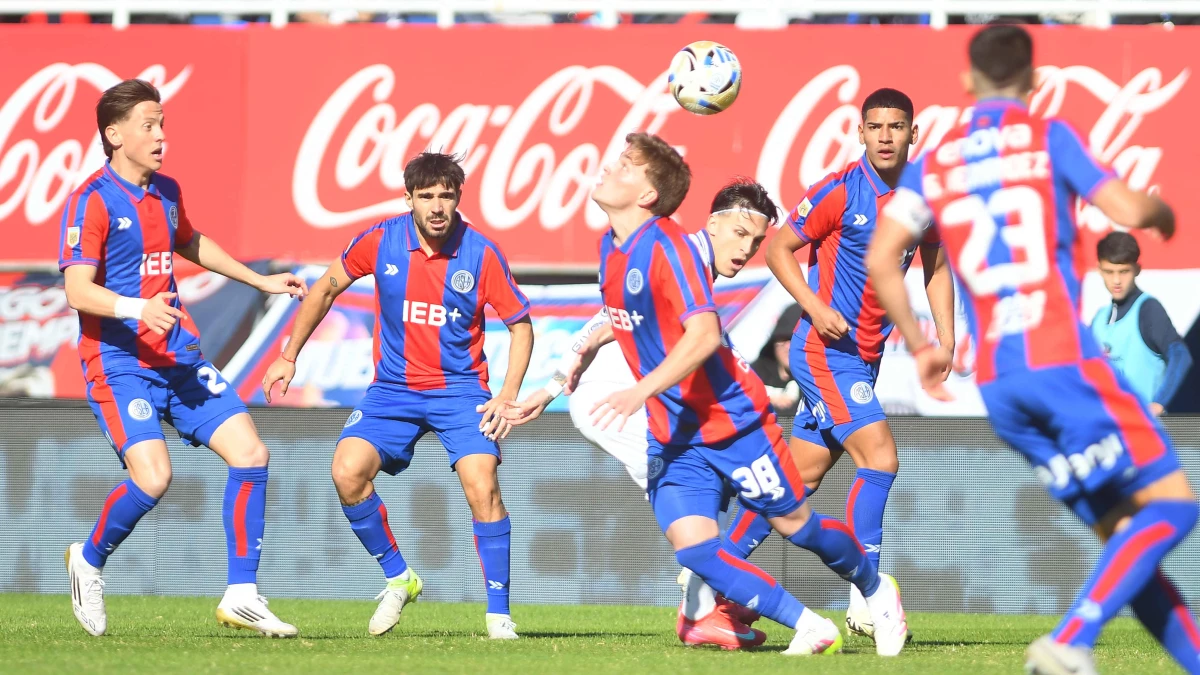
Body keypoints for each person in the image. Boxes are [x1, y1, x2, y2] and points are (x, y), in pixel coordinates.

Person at [866, 24, 1199, 675]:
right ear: (1036, 82)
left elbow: (883, 259)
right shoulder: (1049, 136)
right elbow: (1128, 206)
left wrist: (921, 343)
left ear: (967, 83)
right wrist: (1162, 215)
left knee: (1128, 547)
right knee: (1174, 505)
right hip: (1065, 363)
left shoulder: (934, 164)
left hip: (1001, 385)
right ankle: (1072, 635)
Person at [522, 132, 909, 656]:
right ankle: (803, 624)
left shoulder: (672, 249)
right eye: (742, 235)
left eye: (623, 166)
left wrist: (641, 388)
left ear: (647, 196)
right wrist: (556, 381)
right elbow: (613, 322)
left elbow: (703, 336)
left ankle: (873, 587)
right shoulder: (614, 251)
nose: (608, 169)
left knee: (796, 524)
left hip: (734, 424)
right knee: (696, 549)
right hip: (673, 431)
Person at [60, 79, 306, 638]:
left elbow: (190, 241)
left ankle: (242, 595)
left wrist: (259, 279)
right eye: (148, 125)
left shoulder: (166, 191)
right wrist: (134, 307)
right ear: (113, 134)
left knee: (251, 453)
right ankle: (89, 561)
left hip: (177, 358)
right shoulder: (90, 200)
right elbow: (78, 290)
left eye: (163, 123)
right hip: (120, 363)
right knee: (154, 478)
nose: (161, 135)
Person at [505, 177, 787, 648]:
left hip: (627, 400)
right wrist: (552, 386)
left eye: (756, 241)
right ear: (713, 224)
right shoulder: (681, 258)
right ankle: (704, 598)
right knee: (709, 485)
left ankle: (705, 597)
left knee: (716, 487)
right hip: (612, 401)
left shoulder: (697, 265)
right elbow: (603, 322)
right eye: (740, 234)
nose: (747, 249)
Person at [261, 152, 533, 640]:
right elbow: (324, 289)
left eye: (445, 196)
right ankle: (398, 576)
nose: (436, 206)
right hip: (392, 390)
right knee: (346, 471)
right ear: (408, 198)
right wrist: (289, 354)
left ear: (458, 199)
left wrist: (508, 393)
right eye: (426, 196)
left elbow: (521, 326)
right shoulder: (382, 238)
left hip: (461, 391)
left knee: (482, 482)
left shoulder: (482, 252)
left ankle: (498, 615)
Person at [763, 87, 955, 639]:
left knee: (795, 479)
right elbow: (779, 248)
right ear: (861, 132)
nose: (887, 136)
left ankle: (715, 575)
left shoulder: (922, 197)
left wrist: (945, 337)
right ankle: (867, 598)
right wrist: (815, 306)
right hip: (824, 351)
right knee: (881, 458)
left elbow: (936, 268)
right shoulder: (842, 190)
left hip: (863, 357)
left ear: (913, 133)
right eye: (877, 126)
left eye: (897, 126)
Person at [1090, 231, 1192, 415]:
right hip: (1108, 434)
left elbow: (1180, 355)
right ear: (1099, 269)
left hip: (1144, 434)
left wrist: (1158, 404)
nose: (1116, 280)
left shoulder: (1148, 309)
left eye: (1124, 271)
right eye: (1109, 272)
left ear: (1137, 269)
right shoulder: (1098, 319)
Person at [750, 304, 804, 413]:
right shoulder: (754, 374)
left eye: (794, 339)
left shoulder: (816, 381)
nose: (788, 347)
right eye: (783, 339)